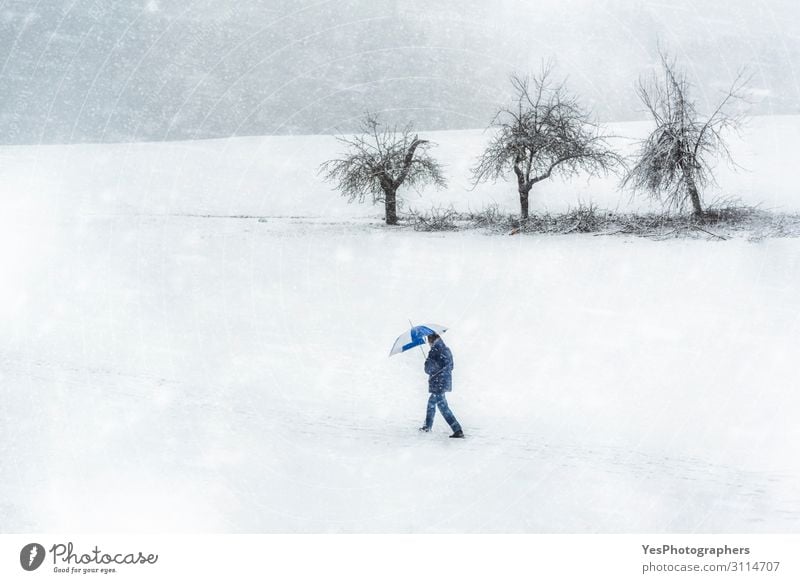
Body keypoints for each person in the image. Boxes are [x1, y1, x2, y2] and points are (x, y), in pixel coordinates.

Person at [419, 333, 464, 438]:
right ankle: (427, 426)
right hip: (444, 382)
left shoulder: (434, 351)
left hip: (437, 383)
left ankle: (457, 430)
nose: (428, 343)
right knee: (432, 403)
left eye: (428, 341)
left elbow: (428, 369)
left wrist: (427, 362)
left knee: (442, 407)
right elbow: (451, 366)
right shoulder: (446, 349)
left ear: (431, 340)